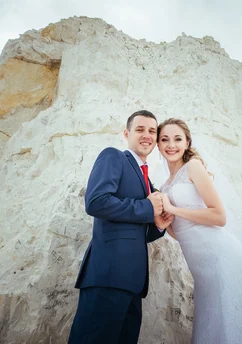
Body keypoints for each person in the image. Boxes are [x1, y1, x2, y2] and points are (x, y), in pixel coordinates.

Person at [158, 118, 242, 344]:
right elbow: (180, 231)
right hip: (201, 266)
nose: (171, 145)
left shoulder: (193, 168)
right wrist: (166, 224)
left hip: (221, 256)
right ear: (158, 144)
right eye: (164, 139)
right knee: (216, 319)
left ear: (187, 142)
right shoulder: (164, 186)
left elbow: (219, 216)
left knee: (230, 321)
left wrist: (174, 208)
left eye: (177, 139)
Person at [68, 110, 174, 344]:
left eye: (152, 131)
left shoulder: (148, 181)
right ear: (127, 134)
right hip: (108, 276)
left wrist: (157, 226)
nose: (146, 135)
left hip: (134, 285)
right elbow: (96, 202)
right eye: (140, 129)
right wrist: (146, 208)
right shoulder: (113, 157)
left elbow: (131, 231)